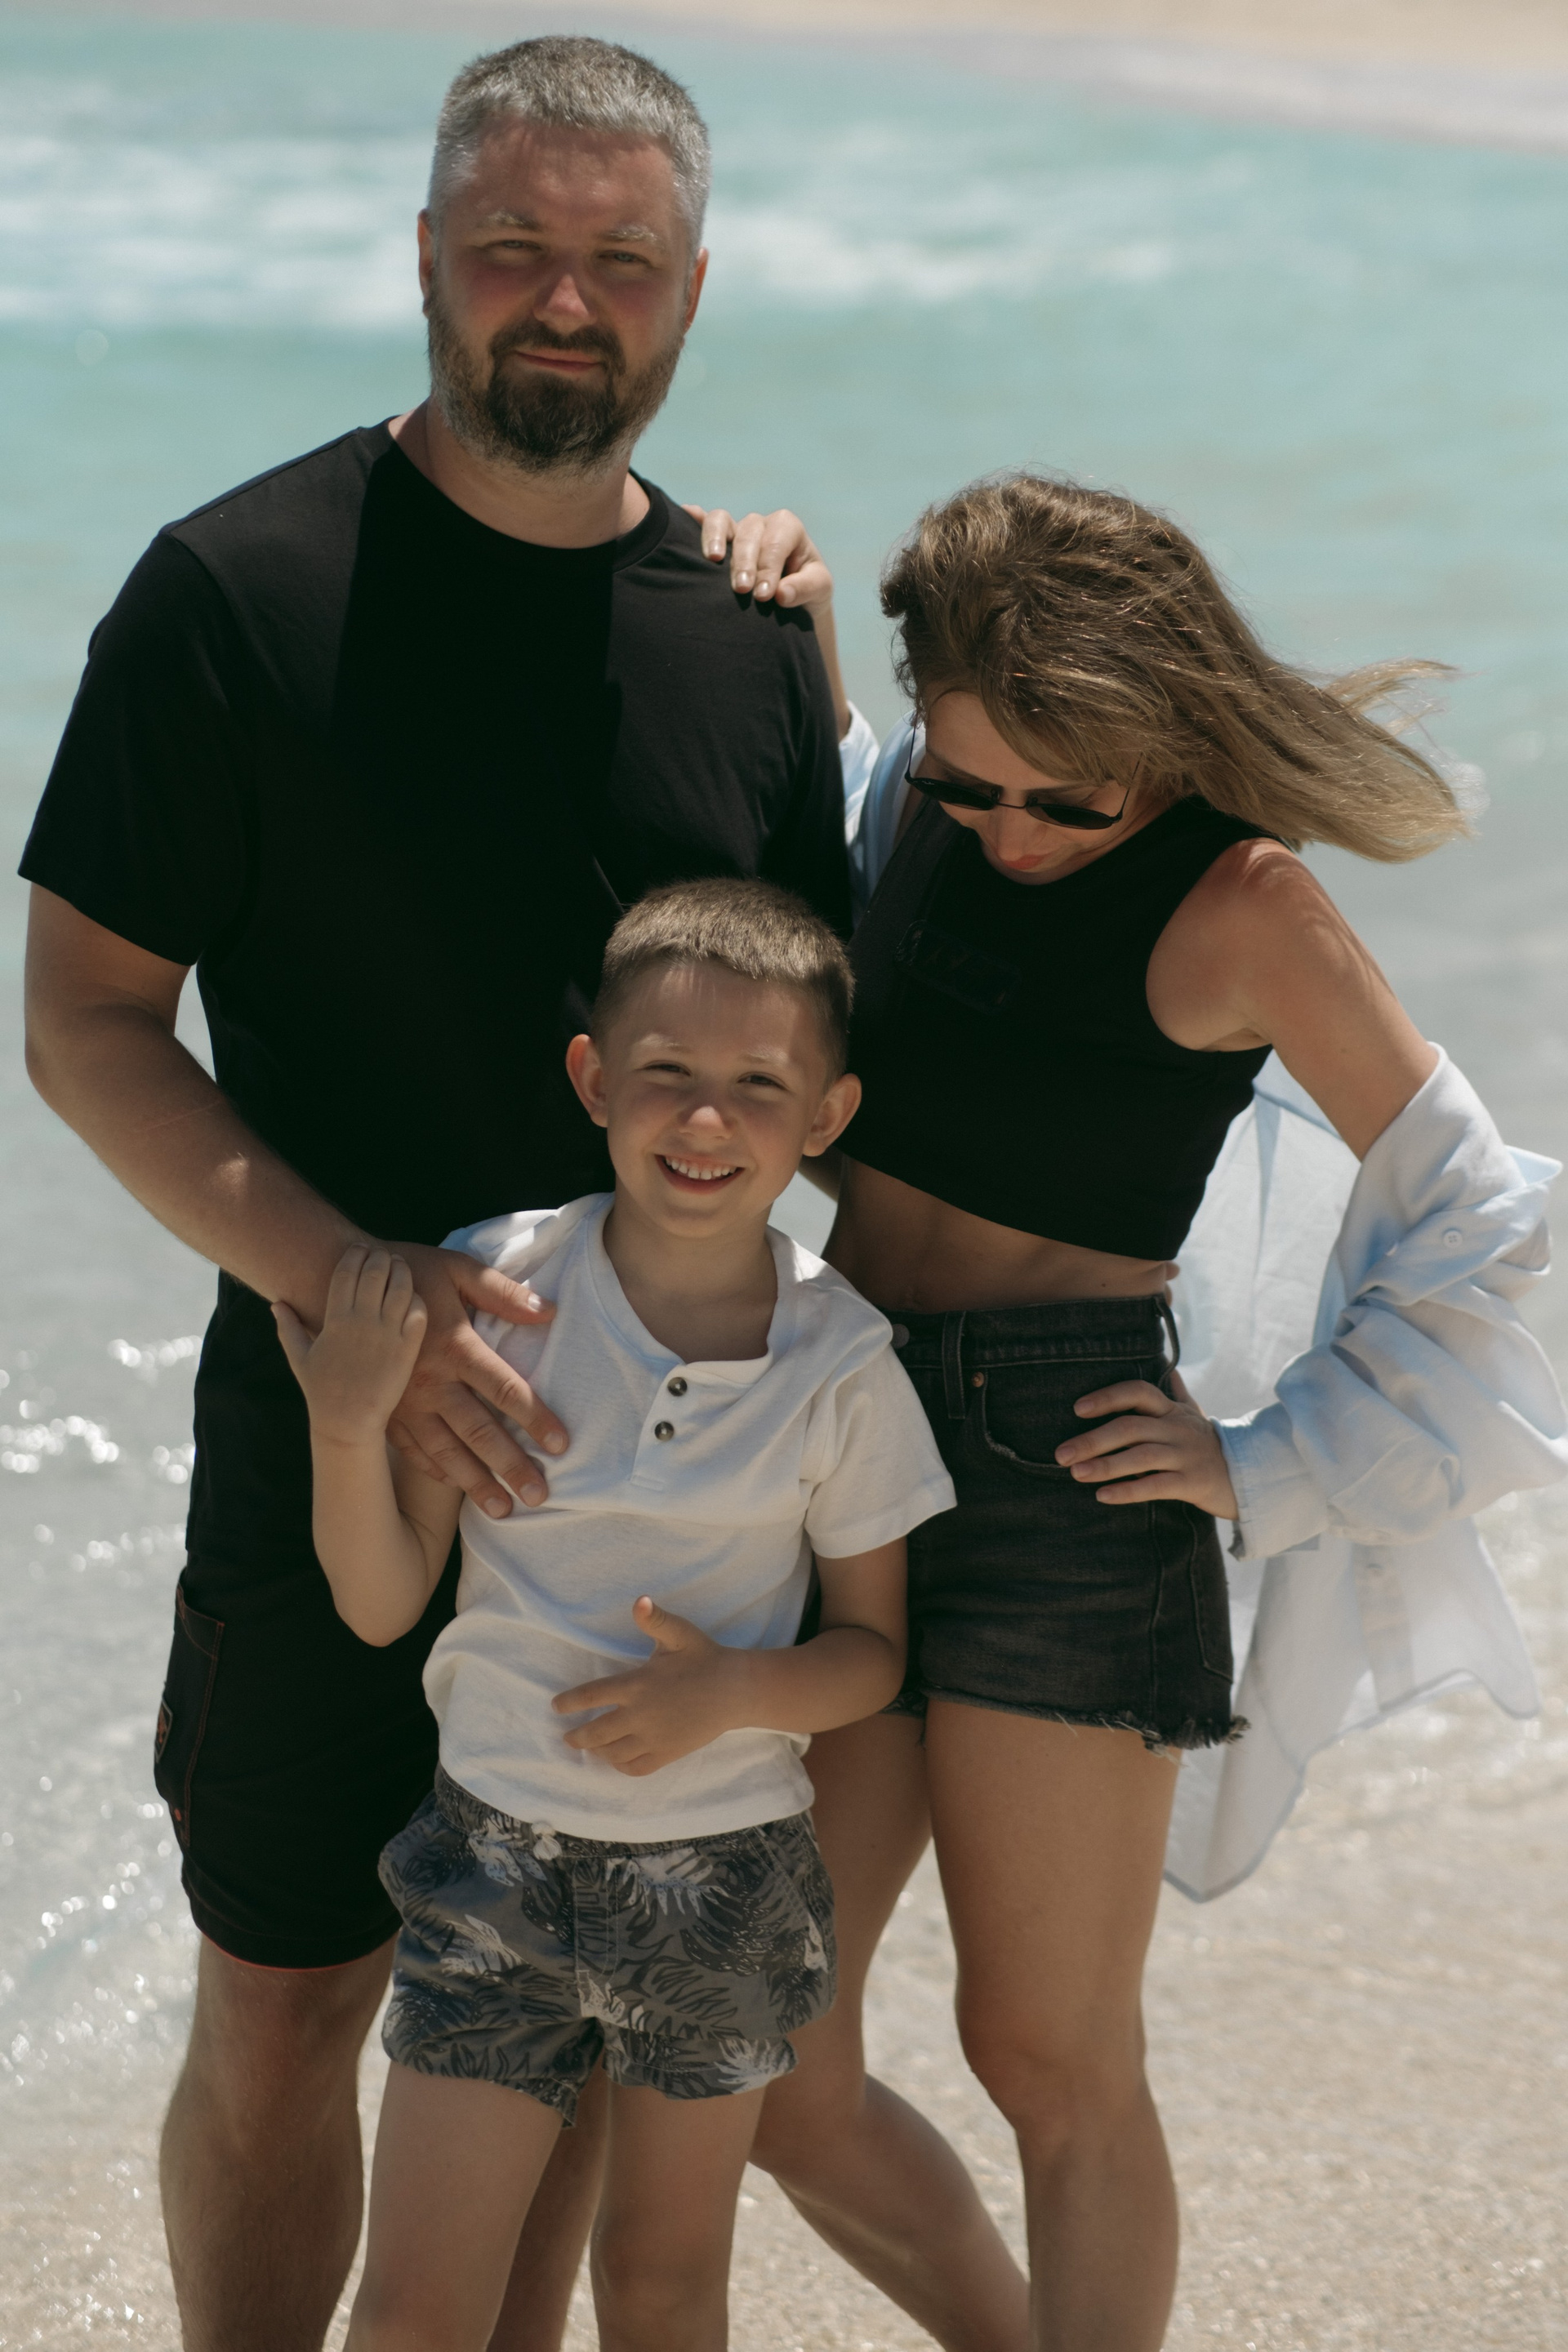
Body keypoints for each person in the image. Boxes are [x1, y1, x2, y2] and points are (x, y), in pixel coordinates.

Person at [19, 37, 853, 2352]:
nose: (564, 301)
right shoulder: (231, 592)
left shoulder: (749, 635)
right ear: (423, 260)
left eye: (620, 259)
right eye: (513, 248)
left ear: (693, 291)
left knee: (568, 2013)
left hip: (657, 1479)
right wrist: (355, 1297)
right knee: (289, 1999)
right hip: (333, 1413)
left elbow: (812, 1049)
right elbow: (84, 1021)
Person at [683, 474, 1564, 2352]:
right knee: (762, 2050)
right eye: (971, 785)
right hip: (836, 1432)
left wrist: (1269, 1461)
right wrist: (796, 608)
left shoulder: (1247, 903)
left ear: (1161, 729)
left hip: (1063, 1476)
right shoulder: (918, 808)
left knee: (1047, 2055)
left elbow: (1477, 1213)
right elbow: (829, 825)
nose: (1010, 831)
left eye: (1067, 800)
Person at [272, 877, 956, 2351]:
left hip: (722, 1883)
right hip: (487, 1864)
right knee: (413, 2309)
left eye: (759, 1086)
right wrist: (344, 1426)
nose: (707, 1119)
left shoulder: (843, 1364)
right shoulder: (500, 1290)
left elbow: (872, 1657)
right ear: (593, 1079)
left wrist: (732, 1695)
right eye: (667, 1072)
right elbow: (384, 1605)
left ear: (827, 1116)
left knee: (659, 2283)